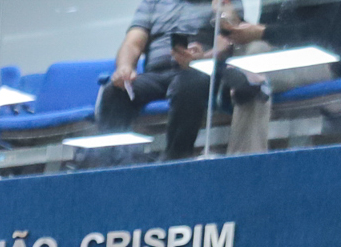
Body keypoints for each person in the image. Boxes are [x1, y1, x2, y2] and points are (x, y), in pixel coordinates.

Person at [98, 3, 275, 161]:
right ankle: (118, 163)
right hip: (156, 74)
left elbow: (228, 39)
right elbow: (133, 43)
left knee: (189, 84)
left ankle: (176, 159)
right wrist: (125, 67)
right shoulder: (154, 3)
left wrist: (203, 57)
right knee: (115, 91)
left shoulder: (221, 2)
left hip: (200, 70)